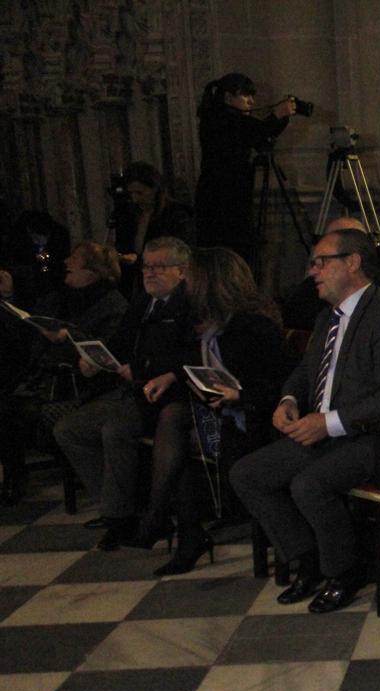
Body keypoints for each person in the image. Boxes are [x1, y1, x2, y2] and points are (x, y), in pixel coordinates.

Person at [230, 229, 380, 612]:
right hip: (327, 433)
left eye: (322, 262)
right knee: (247, 474)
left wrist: (329, 422)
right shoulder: (327, 317)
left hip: (373, 437)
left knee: (309, 484)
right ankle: (308, 557)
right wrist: (288, 399)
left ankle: (344, 571)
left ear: (352, 263)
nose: (313, 271)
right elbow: (305, 369)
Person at [135, 247, 295, 574]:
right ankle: (172, 523)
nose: (188, 286)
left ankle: (163, 519)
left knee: (176, 437)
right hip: (225, 421)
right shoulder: (215, 324)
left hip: (255, 426)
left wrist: (239, 395)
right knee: (175, 420)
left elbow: (284, 383)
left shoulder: (253, 326)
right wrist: (173, 374)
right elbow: (199, 360)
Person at [53, 237, 196, 550]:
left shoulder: (190, 305)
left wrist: (142, 368)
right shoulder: (142, 302)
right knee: (69, 429)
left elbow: (192, 355)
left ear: (182, 271)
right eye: (147, 266)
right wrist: (95, 361)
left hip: (165, 396)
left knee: (116, 429)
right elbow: (119, 344)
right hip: (129, 390)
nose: (149, 273)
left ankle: (122, 519)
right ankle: (116, 506)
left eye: (159, 267)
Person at [0, 243, 128, 504]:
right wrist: (10, 299)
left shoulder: (113, 305)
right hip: (44, 379)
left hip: (80, 385)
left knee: (17, 413)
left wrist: (66, 341)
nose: (66, 262)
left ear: (93, 272)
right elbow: (28, 330)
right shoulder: (59, 297)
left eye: (75, 260)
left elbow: (106, 353)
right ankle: (14, 475)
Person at [193, 73, 296, 261]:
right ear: (228, 97)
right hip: (222, 195)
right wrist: (278, 115)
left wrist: (281, 118)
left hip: (228, 192)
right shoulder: (222, 119)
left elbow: (261, 138)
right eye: (245, 95)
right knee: (229, 248)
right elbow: (257, 131)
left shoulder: (223, 118)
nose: (251, 101)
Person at [111, 162, 195, 292]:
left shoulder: (176, 215)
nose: (135, 199)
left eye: (140, 193)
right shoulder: (129, 215)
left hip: (164, 277)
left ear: (155, 189)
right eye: (131, 193)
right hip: (135, 279)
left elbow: (181, 250)